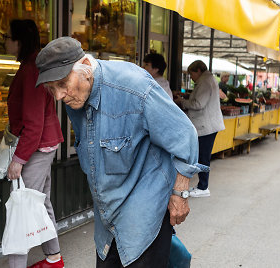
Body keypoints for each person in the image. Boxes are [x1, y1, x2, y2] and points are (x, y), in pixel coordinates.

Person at [35, 37, 206, 267]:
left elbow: (184, 133)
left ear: (85, 66)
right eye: (51, 88)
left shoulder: (134, 86)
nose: (58, 96)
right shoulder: (75, 98)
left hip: (144, 215)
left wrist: (180, 193)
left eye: (62, 83)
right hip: (107, 219)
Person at [5, 20, 64, 268]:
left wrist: (18, 160)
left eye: (8, 37)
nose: (5, 41)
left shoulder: (30, 69)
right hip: (43, 145)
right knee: (40, 203)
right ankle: (54, 258)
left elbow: (33, 123)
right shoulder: (34, 65)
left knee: (22, 209)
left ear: (19, 40)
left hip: (36, 148)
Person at [175, 60, 225, 198]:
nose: (191, 78)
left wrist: (182, 102)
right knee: (203, 156)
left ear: (198, 71)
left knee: (203, 156)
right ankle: (202, 185)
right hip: (208, 124)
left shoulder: (204, 81)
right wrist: (186, 96)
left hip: (206, 125)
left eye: (191, 74)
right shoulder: (209, 79)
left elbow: (198, 103)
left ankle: (203, 187)